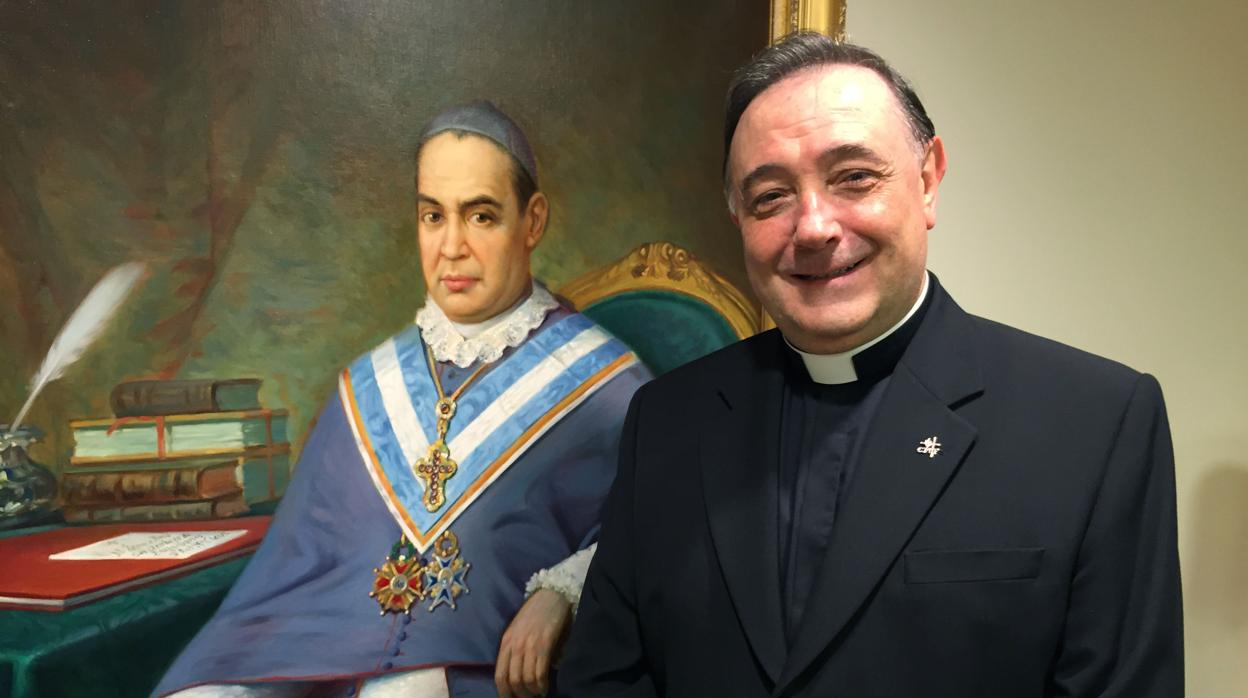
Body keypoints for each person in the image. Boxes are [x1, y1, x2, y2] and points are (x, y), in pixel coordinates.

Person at [558, 33, 1183, 697]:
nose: (814, 227)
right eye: (770, 197)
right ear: (738, 218)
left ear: (928, 179)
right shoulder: (667, 419)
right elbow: (605, 679)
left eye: (854, 177)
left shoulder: (1096, 425)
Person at [155, 102, 650, 698]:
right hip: (320, 671)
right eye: (433, 216)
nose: (452, 247)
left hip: (483, 677)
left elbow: (660, 539)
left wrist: (562, 593)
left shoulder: (607, 387)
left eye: (481, 216)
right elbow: (288, 587)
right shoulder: (367, 385)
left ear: (533, 220)